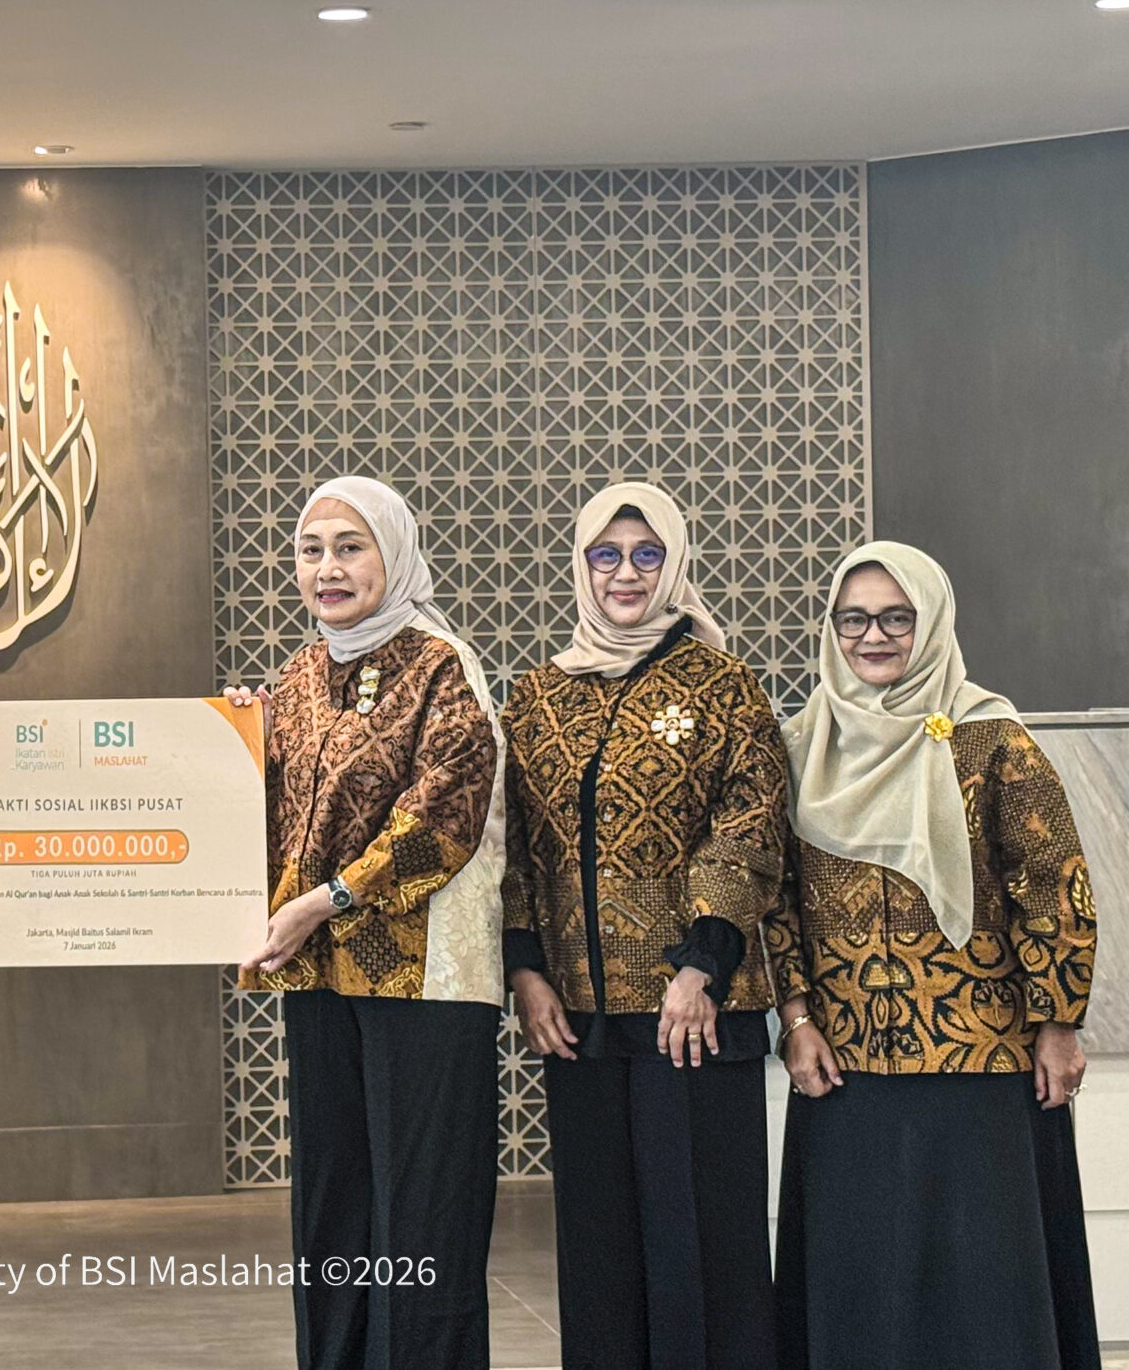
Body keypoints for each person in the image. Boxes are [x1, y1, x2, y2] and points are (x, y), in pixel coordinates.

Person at [768, 541, 1100, 1370]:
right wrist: (795, 1019)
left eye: (896, 618)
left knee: (984, 1289)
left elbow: (1054, 882)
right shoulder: (802, 744)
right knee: (861, 1283)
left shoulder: (991, 738)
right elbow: (776, 896)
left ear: (933, 622)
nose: (873, 636)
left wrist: (1059, 1020)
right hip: (846, 1065)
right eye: (853, 619)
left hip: (982, 1060)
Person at [498, 482, 787, 1370]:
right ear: (581, 566)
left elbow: (750, 825)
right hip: (580, 1021)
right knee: (600, 1253)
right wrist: (526, 970)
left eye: (647, 554)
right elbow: (513, 843)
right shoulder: (538, 695)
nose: (625, 573)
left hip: (692, 1013)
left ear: (675, 564)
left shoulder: (723, 684)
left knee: (701, 1247)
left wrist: (702, 965)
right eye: (606, 555)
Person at [227, 475, 505, 1370]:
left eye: (350, 548)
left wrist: (326, 900)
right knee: (334, 1207)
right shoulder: (300, 674)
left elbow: (443, 819)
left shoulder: (441, 665)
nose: (328, 569)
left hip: (424, 980)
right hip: (320, 977)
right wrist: (234, 741)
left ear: (394, 553)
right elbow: (277, 813)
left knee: (422, 1217)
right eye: (311, 551)